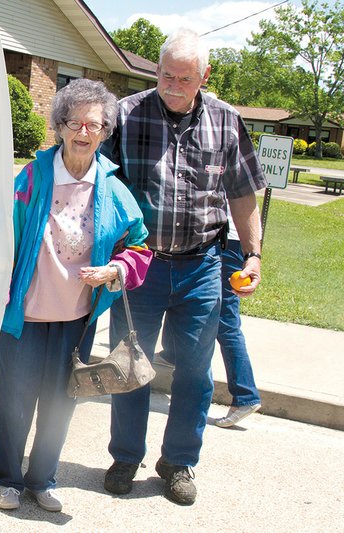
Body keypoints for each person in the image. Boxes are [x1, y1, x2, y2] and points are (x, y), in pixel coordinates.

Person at [99, 28, 267, 506]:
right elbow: (98, 187)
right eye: (165, 74)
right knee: (129, 365)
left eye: (184, 78)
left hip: (202, 268)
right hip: (140, 267)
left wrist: (252, 254)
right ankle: (126, 456)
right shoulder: (126, 115)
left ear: (204, 76)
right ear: (156, 70)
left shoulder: (226, 121)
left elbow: (241, 194)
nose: (172, 85)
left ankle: (178, 463)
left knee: (195, 373)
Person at [0, 78, 152, 513]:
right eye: (76, 123)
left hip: (76, 320)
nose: (84, 132)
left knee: (61, 405)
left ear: (104, 132)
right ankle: (5, 478)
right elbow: (2, 235)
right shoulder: (32, 177)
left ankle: (42, 480)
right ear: (60, 126)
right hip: (24, 317)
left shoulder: (112, 188)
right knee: (15, 402)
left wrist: (117, 267)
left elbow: (140, 244)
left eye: (95, 125)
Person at [159, 213, 263, 428]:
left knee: (225, 320)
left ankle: (245, 395)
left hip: (226, 241)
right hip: (222, 239)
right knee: (184, 300)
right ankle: (171, 354)